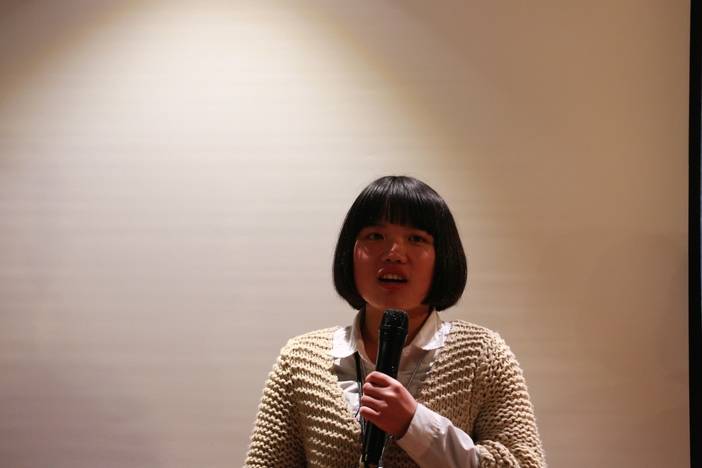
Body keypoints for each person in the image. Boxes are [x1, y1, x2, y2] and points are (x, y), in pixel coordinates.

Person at [244, 176, 545, 467]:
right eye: (375, 236)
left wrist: (414, 424)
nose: (394, 254)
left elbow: (525, 463)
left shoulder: (482, 356)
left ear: (442, 257)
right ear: (350, 252)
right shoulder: (300, 361)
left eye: (416, 239)